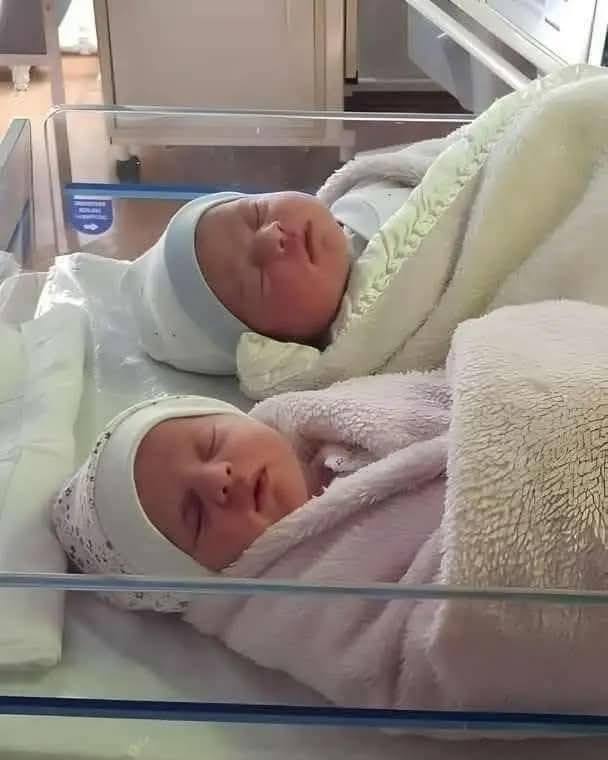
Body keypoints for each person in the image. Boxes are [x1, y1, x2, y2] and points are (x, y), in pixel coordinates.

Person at [121, 172, 429, 375]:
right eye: (255, 282)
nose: (271, 237)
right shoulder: (373, 350)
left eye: (256, 214)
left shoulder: (368, 186)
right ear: (276, 345)